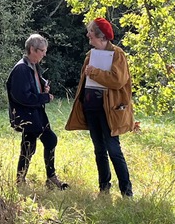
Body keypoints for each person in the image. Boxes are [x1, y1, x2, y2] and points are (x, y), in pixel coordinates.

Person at [66, 17, 135, 198]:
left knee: (113, 149)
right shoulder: (91, 54)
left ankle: (126, 191)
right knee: (99, 149)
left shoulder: (118, 54)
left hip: (110, 110)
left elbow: (117, 80)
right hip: (92, 108)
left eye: (91, 31)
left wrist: (94, 72)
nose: (88, 35)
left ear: (101, 36)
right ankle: (104, 188)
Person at [7, 34, 69, 190]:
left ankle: (24, 179)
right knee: (46, 141)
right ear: (32, 49)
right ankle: (47, 178)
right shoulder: (21, 68)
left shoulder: (32, 65)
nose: (44, 54)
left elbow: (33, 86)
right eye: (42, 50)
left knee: (30, 146)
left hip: (35, 114)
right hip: (28, 115)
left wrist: (43, 86)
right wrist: (44, 97)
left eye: (45, 50)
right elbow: (22, 96)